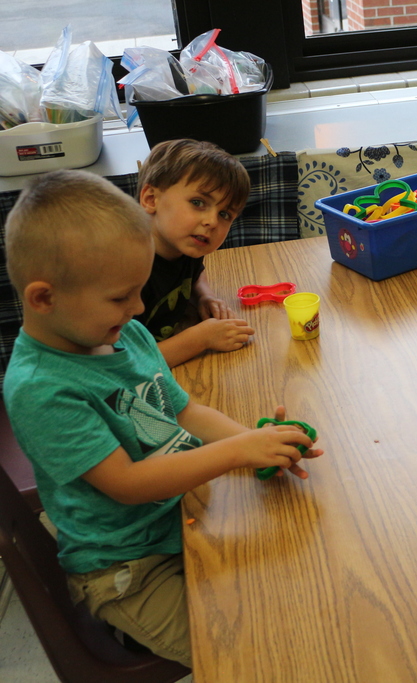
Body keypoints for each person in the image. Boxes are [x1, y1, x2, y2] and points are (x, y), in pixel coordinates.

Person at [2, 170, 323, 666]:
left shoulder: (122, 333)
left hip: (178, 520)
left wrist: (261, 442)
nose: (138, 308)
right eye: (120, 297)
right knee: (255, 655)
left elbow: (186, 410)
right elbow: (128, 484)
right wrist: (237, 451)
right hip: (127, 570)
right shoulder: (41, 388)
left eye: (139, 290)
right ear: (44, 298)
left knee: (297, 593)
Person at [136, 138, 255, 367]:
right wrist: (201, 338)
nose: (211, 221)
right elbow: (122, 366)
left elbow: (196, 271)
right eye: (198, 202)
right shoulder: (122, 272)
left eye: (224, 214)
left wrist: (203, 295)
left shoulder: (184, 244)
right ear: (151, 199)